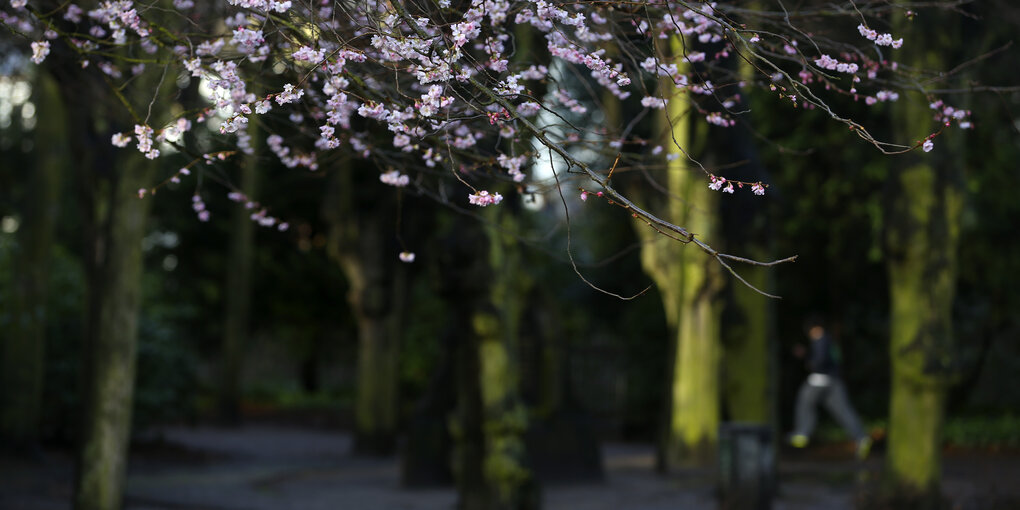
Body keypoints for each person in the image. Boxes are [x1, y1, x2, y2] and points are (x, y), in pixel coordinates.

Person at [789, 318, 872, 459]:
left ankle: (802, 433)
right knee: (843, 411)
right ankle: (861, 437)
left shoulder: (821, 340)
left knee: (804, 401)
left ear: (815, 329)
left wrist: (811, 363)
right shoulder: (830, 341)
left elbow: (820, 360)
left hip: (820, 379)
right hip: (835, 381)